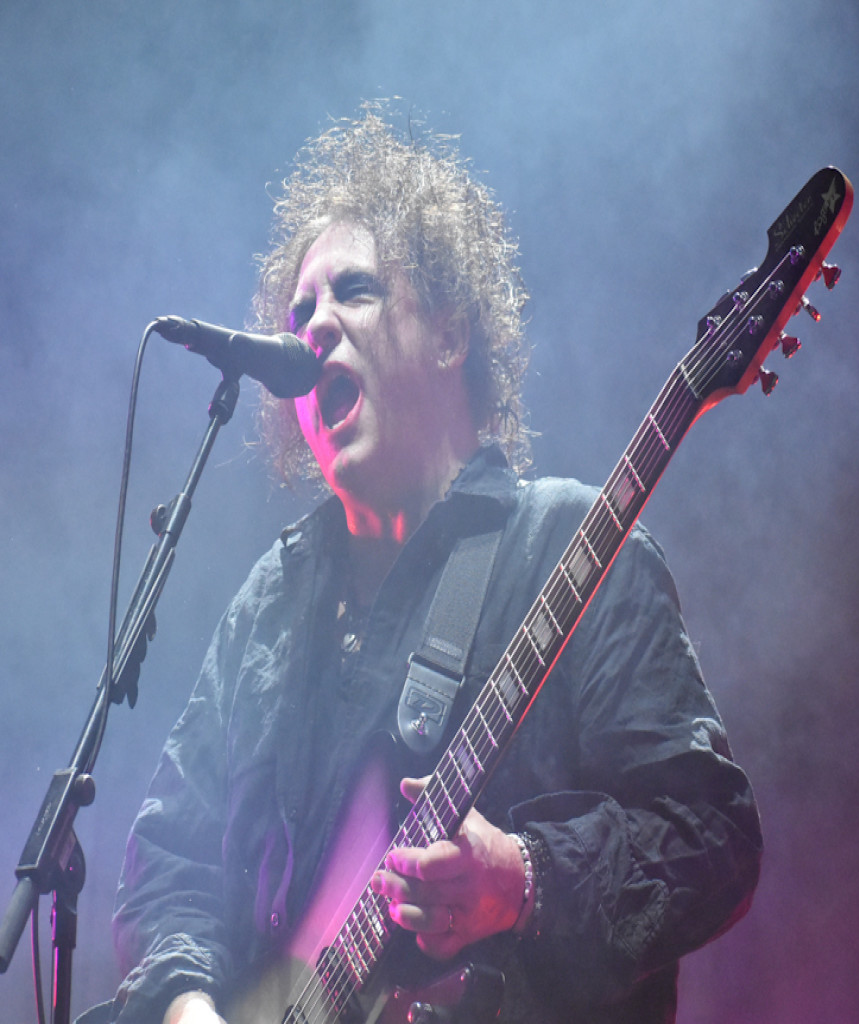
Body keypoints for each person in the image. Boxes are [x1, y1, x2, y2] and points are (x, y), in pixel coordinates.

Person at [88, 106, 762, 1024]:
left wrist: (525, 879)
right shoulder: (270, 605)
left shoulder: (569, 546)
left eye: (355, 291)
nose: (315, 327)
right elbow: (170, 863)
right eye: (299, 311)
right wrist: (186, 1005)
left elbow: (713, 835)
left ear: (449, 336)